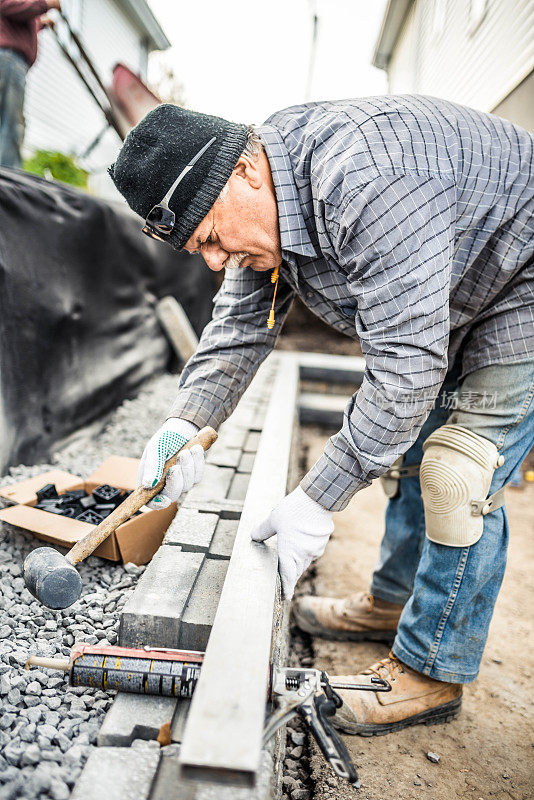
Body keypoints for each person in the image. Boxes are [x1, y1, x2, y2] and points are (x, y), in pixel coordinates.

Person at [109, 98, 534, 736]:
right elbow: (240, 327)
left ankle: (431, 671)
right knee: (412, 444)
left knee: (458, 473)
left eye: (212, 237)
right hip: (467, 274)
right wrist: (184, 423)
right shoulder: (265, 196)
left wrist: (317, 498)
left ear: (247, 172)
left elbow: (406, 371)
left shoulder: (366, 182)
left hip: (524, 273)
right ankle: (393, 602)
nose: (216, 261)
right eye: (199, 249)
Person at [0, 0, 60, 168]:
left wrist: (40, 23)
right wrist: (46, 4)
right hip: (8, 59)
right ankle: (8, 187)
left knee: (8, 123)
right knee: (10, 125)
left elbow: (16, 17)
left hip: (9, 60)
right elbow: (9, 6)